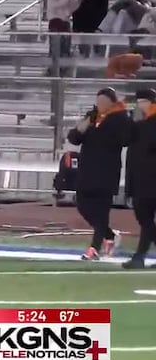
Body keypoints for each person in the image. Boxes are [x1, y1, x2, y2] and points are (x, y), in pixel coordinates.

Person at [66, 87, 132, 261]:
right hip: (87, 169)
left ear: (111, 102)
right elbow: (74, 138)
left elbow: (126, 140)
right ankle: (109, 235)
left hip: (106, 171)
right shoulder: (92, 116)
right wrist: (88, 120)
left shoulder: (120, 117)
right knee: (82, 206)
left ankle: (93, 248)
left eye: (103, 101)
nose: (100, 104)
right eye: (98, 101)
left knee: (102, 211)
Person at [122, 89, 156, 269]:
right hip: (142, 180)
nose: (139, 105)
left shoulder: (146, 125)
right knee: (146, 220)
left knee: (146, 219)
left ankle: (139, 256)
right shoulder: (140, 125)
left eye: (141, 101)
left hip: (148, 180)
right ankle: (139, 257)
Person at [47, 0, 81, 65]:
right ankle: (52, 69)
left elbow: (72, 9)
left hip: (66, 21)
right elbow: (53, 5)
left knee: (66, 48)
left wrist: (78, 1)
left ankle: (63, 70)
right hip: (55, 20)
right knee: (55, 48)